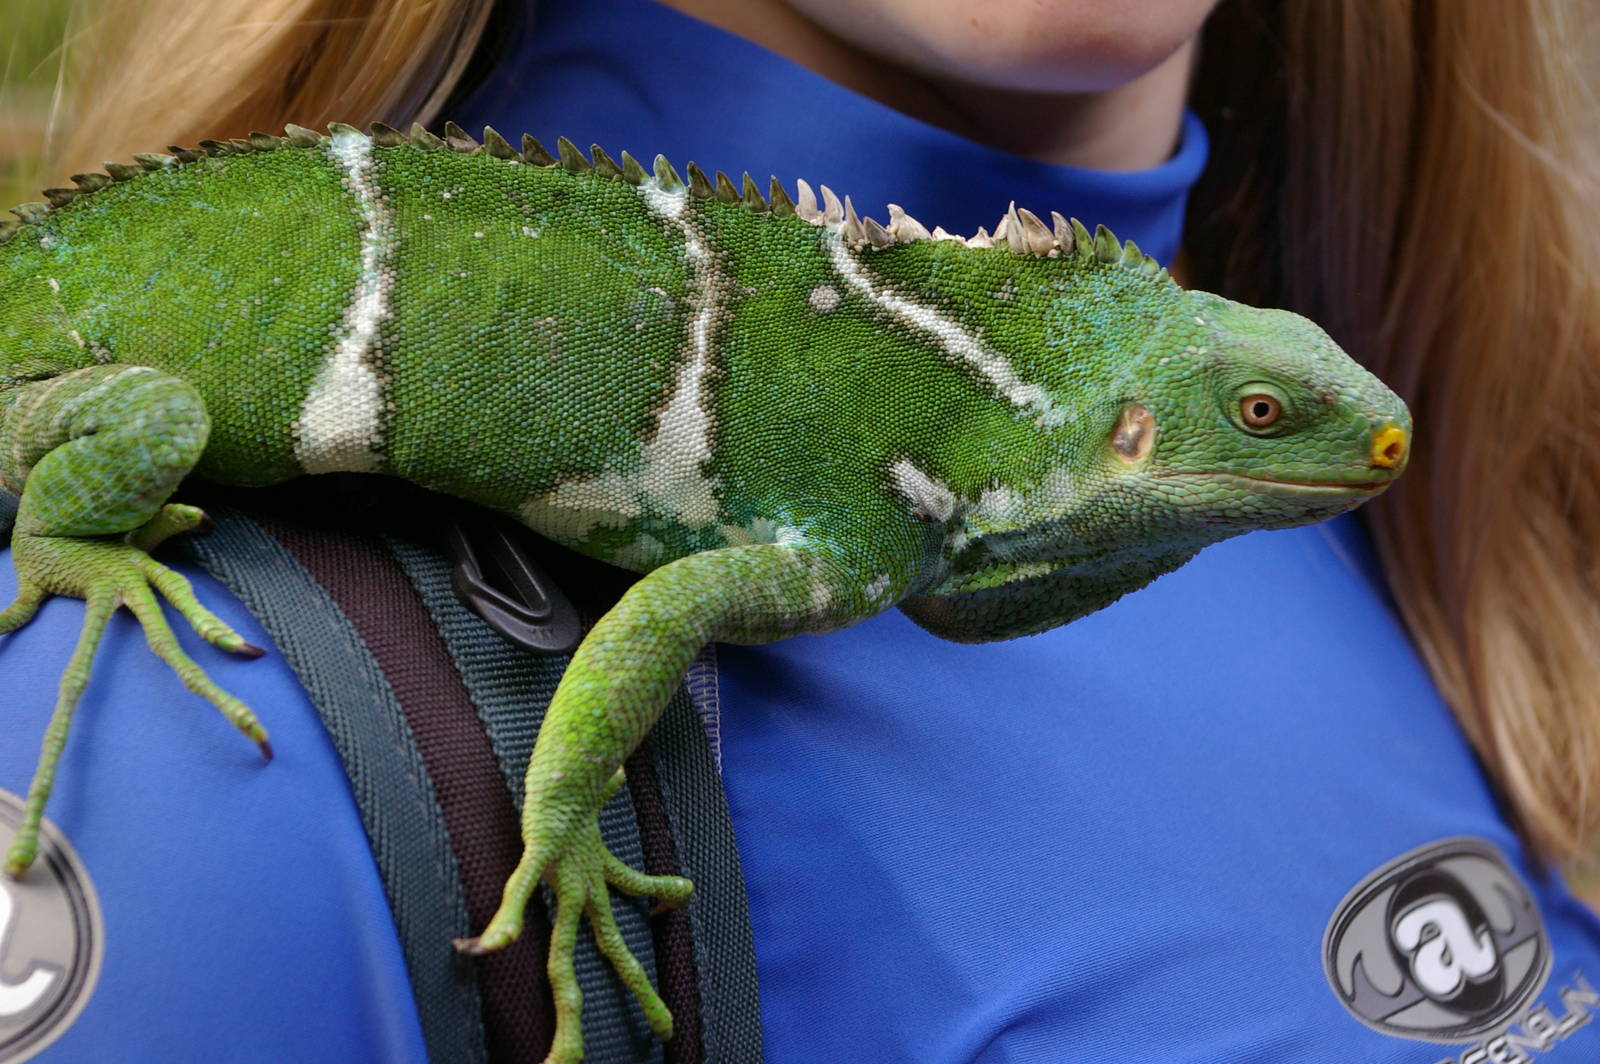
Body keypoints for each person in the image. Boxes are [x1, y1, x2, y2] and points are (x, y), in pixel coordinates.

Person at [4, 0, 1599, 1060]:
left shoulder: (1494, 549)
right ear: (1133, 429)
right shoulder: (223, 742)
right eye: (1255, 414)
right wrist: (561, 833)